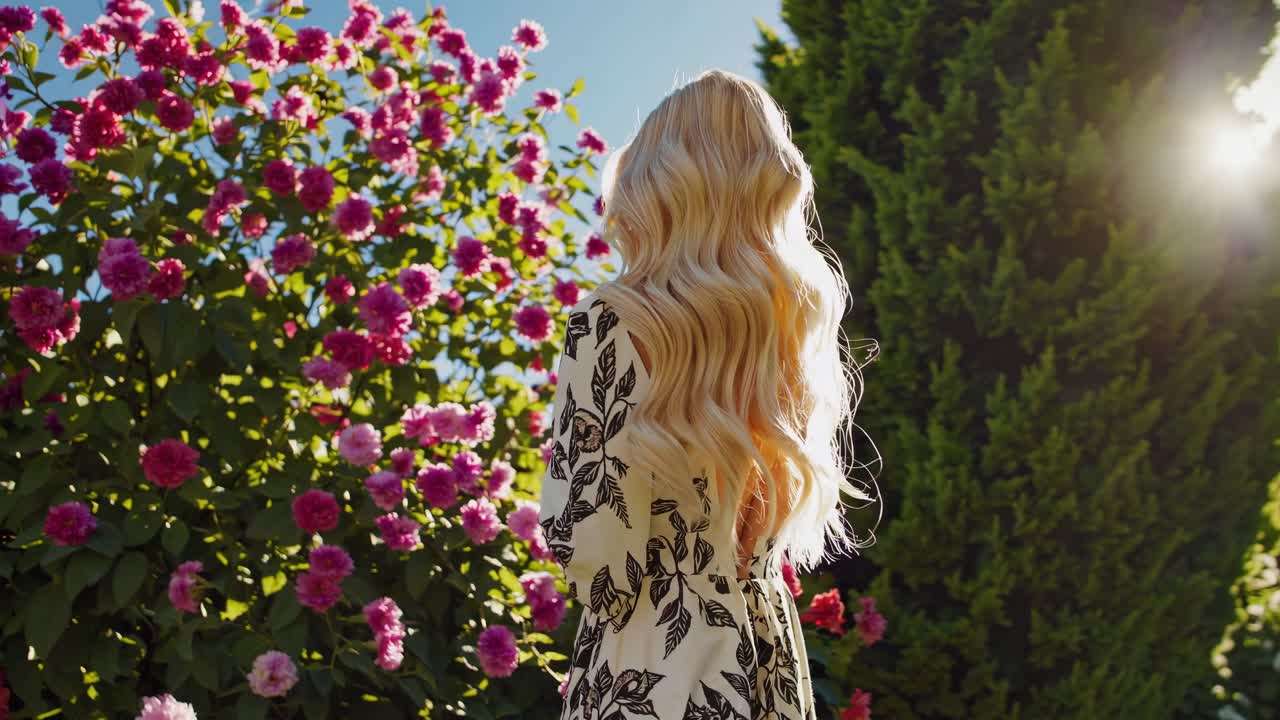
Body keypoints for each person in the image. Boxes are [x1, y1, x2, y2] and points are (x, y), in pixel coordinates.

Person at [538, 68, 879, 720]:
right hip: (757, 663)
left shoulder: (611, 323)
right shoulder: (783, 343)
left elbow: (595, 557)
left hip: (646, 671)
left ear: (656, 186)